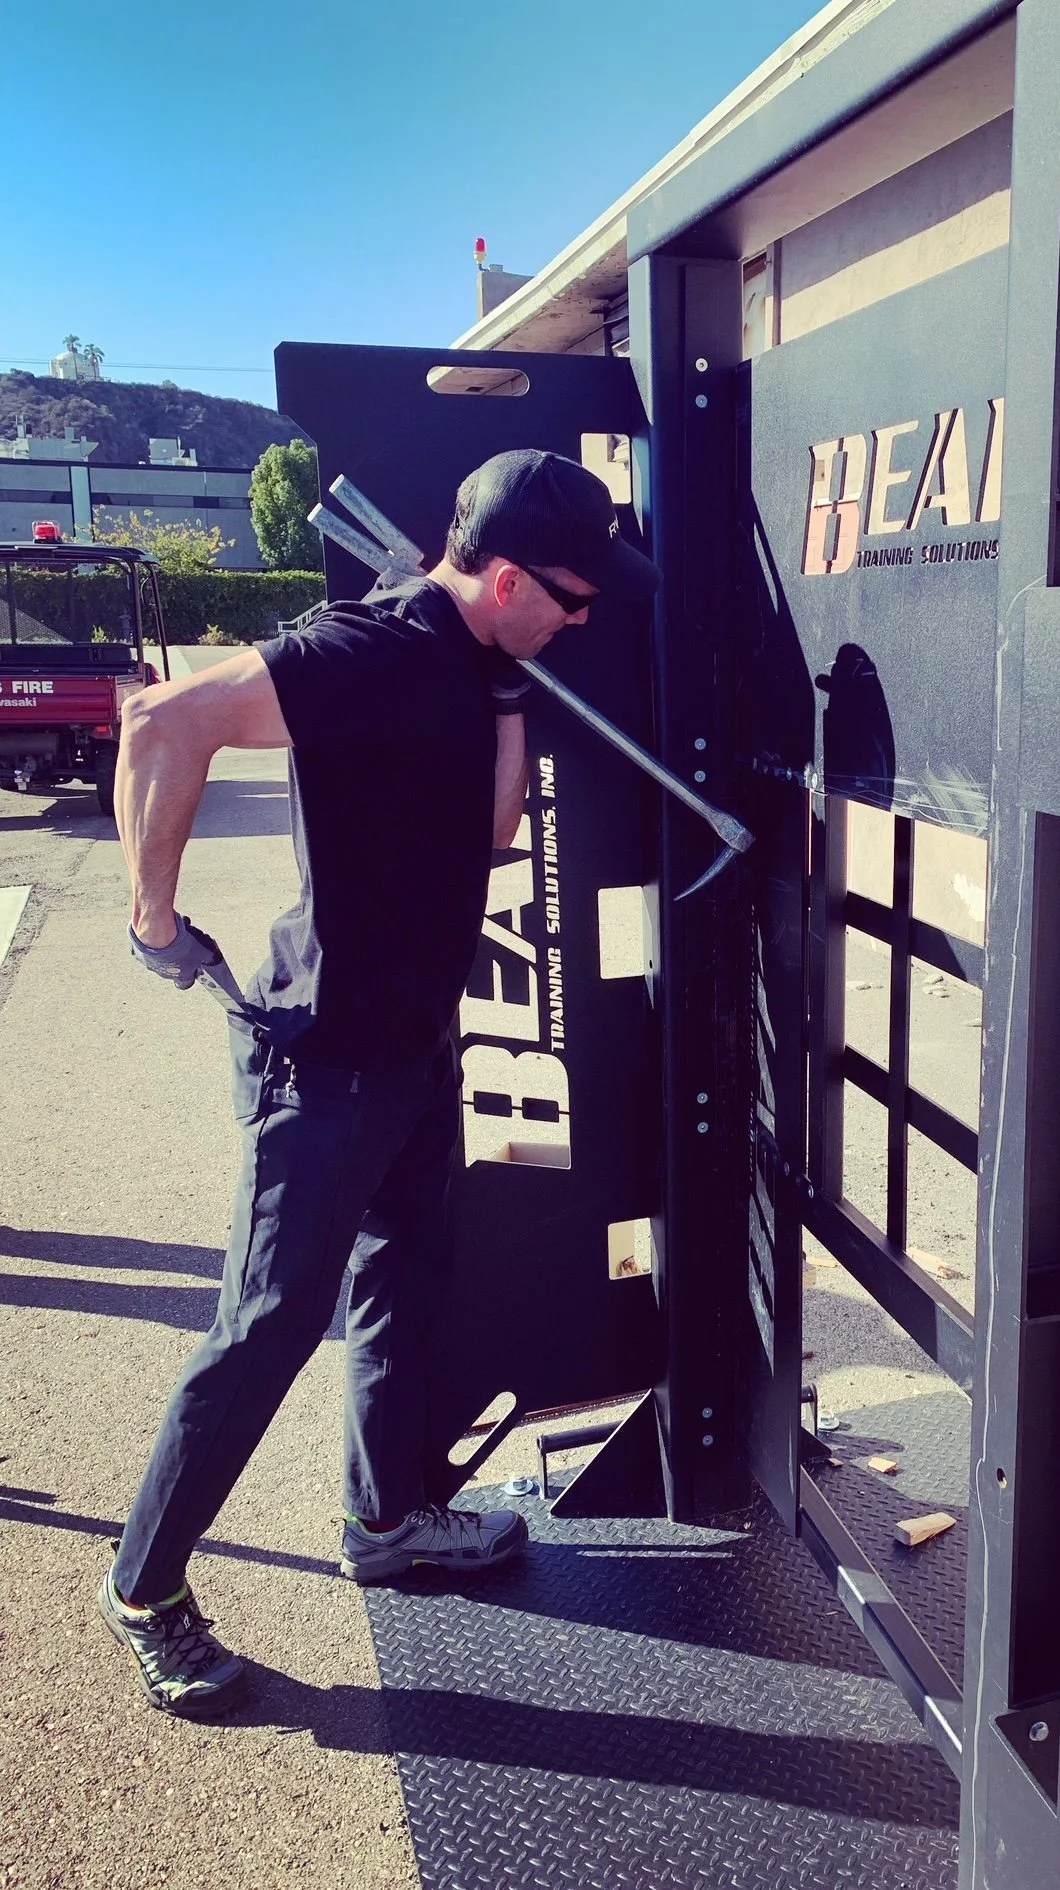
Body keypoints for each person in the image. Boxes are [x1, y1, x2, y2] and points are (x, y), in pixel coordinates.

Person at [97, 450, 659, 1718]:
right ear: (506, 577)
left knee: (404, 1274)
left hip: (411, 1045)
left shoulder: (471, 661)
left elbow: (496, 833)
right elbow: (161, 721)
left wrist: (508, 685)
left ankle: (386, 1520)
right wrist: (151, 920)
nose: (585, 619)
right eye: (573, 597)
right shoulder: (373, 647)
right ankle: (142, 1588)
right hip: (323, 1055)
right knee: (268, 1324)